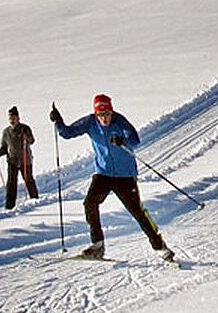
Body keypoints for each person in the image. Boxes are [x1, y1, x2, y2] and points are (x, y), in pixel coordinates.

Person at [49, 94, 174, 261]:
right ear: (96, 114)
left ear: (111, 111)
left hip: (125, 175)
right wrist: (58, 121)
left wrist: (122, 140)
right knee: (90, 203)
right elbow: (68, 133)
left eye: (107, 114)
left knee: (137, 211)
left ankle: (160, 247)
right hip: (104, 173)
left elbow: (135, 140)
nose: (104, 118)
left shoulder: (119, 120)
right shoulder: (90, 122)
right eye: (101, 115)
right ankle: (97, 245)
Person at [0, 106, 39, 209]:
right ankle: (9, 206)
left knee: (29, 181)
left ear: (18, 118)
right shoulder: (6, 132)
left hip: (25, 160)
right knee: (11, 184)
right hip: (12, 161)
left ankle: (35, 200)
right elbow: (4, 147)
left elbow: (32, 141)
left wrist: (26, 136)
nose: (12, 120)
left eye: (13, 118)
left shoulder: (25, 128)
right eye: (10, 118)